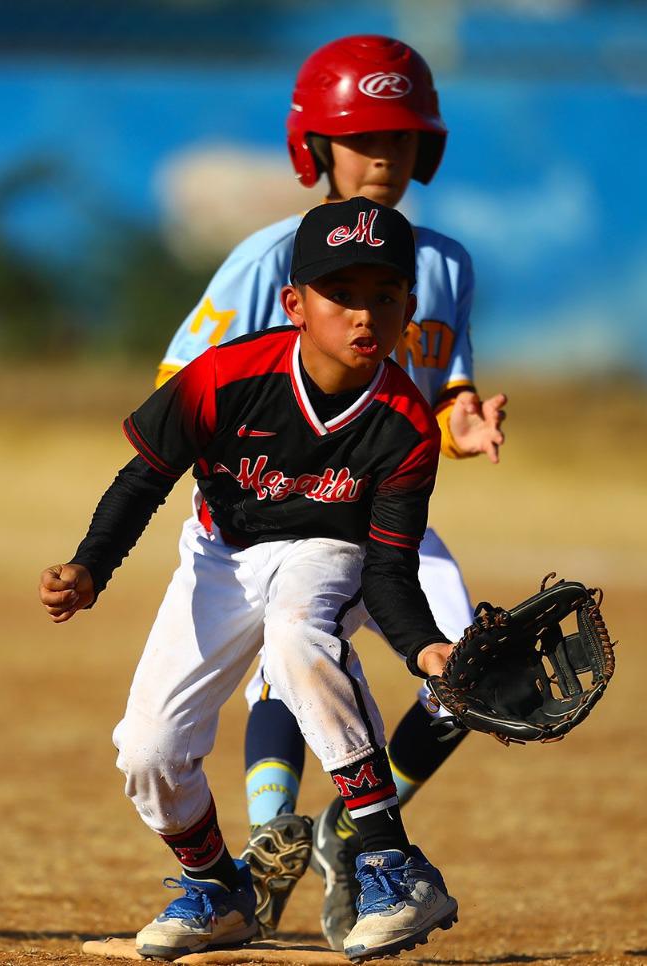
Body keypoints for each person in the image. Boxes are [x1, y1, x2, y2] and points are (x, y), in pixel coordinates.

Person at [153, 35, 506, 949]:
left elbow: (442, 381)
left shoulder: (447, 265)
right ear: (314, 148)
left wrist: (463, 420)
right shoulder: (275, 256)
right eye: (363, 137)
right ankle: (274, 828)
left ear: (428, 150)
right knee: (293, 645)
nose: (384, 156)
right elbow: (183, 374)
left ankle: (343, 830)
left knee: (468, 668)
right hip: (287, 510)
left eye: (402, 137)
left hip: (390, 509)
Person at [39, 198, 460, 962]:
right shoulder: (224, 379)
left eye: (386, 295)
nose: (365, 313)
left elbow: (391, 568)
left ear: (410, 308)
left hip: (329, 551)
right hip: (219, 554)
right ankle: (218, 892)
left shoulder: (404, 424)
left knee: (301, 636)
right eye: (342, 293)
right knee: (147, 751)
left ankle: (394, 867)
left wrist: (426, 649)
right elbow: (143, 479)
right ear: (294, 303)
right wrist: (90, 566)